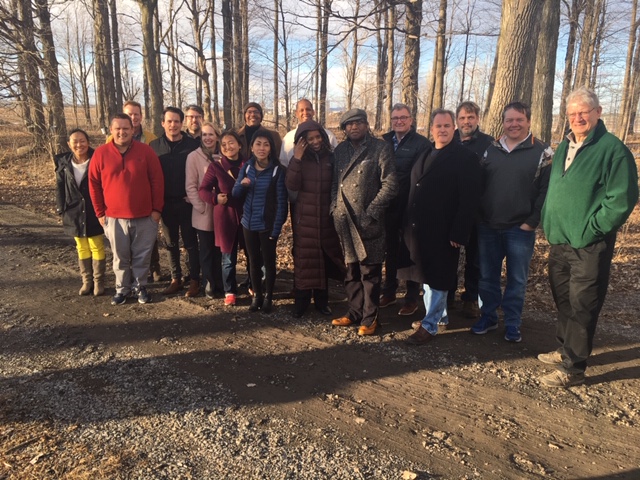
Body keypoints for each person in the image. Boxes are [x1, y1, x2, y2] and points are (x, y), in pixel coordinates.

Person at [539, 87, 638, 388]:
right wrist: (548, 219)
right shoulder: (563, 146)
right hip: (560, 240)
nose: (577, 117)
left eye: (583, 111)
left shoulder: (612, 150)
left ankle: (573, 368)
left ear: (598, 112)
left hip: (589, 244)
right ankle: (563, 349)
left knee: (583, 303)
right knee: (564, 299)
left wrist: (593, 228)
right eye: (572, 113)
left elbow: (622, 198)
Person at [470, 102, 553, 343]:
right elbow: (478, 185)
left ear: (528, 121)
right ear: (503, 122)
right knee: (487, 277)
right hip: (488, 226)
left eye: (519, 120)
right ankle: (488, 317)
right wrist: (479, 216)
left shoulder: (543, 152)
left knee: (517, 279)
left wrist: (532, 221)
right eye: (509, 120)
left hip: (520, 228)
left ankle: (513, 322)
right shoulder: (490, 150)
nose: (514, 124)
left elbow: (546, 191)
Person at [401, 109, 481, 345]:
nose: (443, 130)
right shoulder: (425, 153)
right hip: (420, 227)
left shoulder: (464, 157)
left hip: (445, 229)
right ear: (431, 129)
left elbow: (470, 198)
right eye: (438, 126)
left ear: (454, 128)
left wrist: (460, 231)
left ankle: (430, 324)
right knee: (426, 274)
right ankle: (439, 316)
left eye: (447, 126)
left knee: (438, 276)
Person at [330, 109, 398, 336]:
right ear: (344, 129)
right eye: (349, 125)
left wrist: (371, 212)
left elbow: (390, 185)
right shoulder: (340, 150)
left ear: (367, 125)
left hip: (368, 222)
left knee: (369, 273)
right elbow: (334, 183)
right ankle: (354, 312)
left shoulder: (380, 148)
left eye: (358, 123)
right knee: (351, 272)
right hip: (345, 221)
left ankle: (371, 319)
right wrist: (334, 207)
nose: (354, 127)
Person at [89, 114, 164, 305]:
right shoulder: (101, 153)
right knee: (120, 257)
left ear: (133, 130)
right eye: (117, 129)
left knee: (142, 256)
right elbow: (94, 184)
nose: (122, 132)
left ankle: (140, 287)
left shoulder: (146, 151)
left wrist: (156, 210)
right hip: (113, 217)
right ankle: (122, 289)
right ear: (111, 131)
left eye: (126, 128)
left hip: (145, 216)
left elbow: (157, 181)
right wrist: (100, 212)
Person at [285, 120, 346, 318]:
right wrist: (297, 159)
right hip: (305, 219)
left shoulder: (331, 157)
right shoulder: (299, 159)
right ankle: (301, 303)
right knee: (305, 262)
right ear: (302, 141)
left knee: (323, 260)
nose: (315, 141)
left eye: (318, 137)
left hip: (326, 218)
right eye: (310, 139)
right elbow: (291, 185)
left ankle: (322, 302)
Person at [379, 103, 430, 316]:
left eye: (403, 117)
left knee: (411, 250)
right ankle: (389, 291)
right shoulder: (382, 142)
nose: (399, 121)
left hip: (410, 204)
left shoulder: (422, 143)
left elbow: (421, 175)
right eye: (395, 118)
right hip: (387, 205)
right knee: (390, 249)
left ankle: (411, 297)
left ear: (411, 120)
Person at [232, 129, 288, 313]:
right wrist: (242, 185)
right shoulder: (247, 167)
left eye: (266, 144)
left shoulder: (277, 171)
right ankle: (257, 296)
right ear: (252, 147)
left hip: (267, 226)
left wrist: (276, 230)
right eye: (258, 144)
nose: (262, 148)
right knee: (253, 262)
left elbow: (281, 203)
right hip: (248, 224)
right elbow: (235, 194)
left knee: (269, 262)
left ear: (271, 148)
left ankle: (269, 297)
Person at [107, 101, 161, 282]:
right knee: (121, 252)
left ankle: (147, 276)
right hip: (116, 211)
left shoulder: (150, 140)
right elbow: (98, 180)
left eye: (136, 114)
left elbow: (156, 176)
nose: (133, 117)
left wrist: (156, 208)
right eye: (129, 114)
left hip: (144, 206)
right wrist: (101, 212)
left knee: (145, 247)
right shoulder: (108, 145)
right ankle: (122, 285)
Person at [150, 107, 201, 296]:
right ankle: (175, 278)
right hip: (165, 204)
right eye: (169, 121)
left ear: (182, 123)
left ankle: (194, 279)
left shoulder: (192, 146)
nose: (173, 125)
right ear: (163, 123)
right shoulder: (154, 147)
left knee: (190, 243)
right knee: (170, 243)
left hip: (187, 202)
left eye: (177, 121)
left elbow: (200, 173)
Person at [452, 101, 494, 318]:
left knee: (475, 258)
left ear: (477, 119)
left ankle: (470, 298)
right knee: (448, 257)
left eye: (470, 118)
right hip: (450, 211)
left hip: (478, 212)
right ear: (456, 121)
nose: (466, 122)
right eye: (462, 118)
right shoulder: (448, 140)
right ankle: (447, 296)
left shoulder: (489, 145)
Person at [199, 130, 247, 306]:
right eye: (224, 144)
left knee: (253, 254)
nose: (228, 147)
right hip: (225, 217)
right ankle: (230, 290)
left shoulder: (248, 164)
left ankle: (253, 284)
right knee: (228, 258)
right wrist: (215, 198)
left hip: (248, 215)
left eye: (231, 143)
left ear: (239, 145)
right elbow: (203, 190)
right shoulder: (216, 167)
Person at [54, 129, 106, 296]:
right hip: (74, 210)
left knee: (96, 245)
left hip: (94, 209)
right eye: (75, 141)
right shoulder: (62, 162)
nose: (79, 145)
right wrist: (61, 208)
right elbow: (60, 187)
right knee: (81, 247)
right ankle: (87, 281)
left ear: (88, 142)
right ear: (69, 144)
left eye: (82, 141)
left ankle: (99, 282)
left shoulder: (97, 158)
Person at [185, 122, 225, 299]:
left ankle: (221, 283)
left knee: (220, 251)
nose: (208, 138)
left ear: (217, 136)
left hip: (223, 212)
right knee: (206, 250)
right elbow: (191, 186)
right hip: (203, 212)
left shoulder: (223, 155)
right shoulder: (193, 157)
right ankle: (208, 284)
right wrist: (200, 207)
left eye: (211, 134)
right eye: (204, 135)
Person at [279, 98, 338, 167]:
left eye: (308, 109)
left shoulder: (328, 136)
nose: (305, 113)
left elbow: (336, 160)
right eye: (301, 110)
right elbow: (283, 164)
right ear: (296, 114)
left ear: (313, 112)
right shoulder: (288, 138)